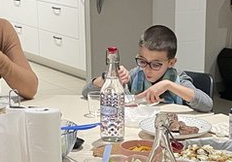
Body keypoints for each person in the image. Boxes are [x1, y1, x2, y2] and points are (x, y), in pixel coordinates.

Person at [82, 25, 213, 112]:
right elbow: (86, 92)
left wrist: (168, 85)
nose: (147, 70)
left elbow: (207, 104)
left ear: (171, 62)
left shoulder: (179, 79)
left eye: (156, 64)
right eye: (143, 61)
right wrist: (110, 77)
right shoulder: (136, 75)